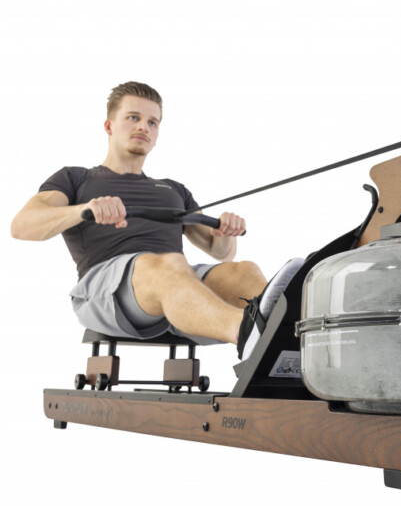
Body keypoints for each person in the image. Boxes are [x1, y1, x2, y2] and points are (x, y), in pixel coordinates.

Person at [10, 81, 302, 361]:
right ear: (109, 126)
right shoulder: (76, 178)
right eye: (133, 117)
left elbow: (220, 252)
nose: (144, 127)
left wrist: (226, 231)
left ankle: (292, 338)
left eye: (153, 122)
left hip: (177, 288)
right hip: (105, 292)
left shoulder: (173, 189)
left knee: (244, 271)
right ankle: (248, 332)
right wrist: (85, 209)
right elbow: (22, 226)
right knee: (167, 263)